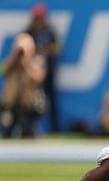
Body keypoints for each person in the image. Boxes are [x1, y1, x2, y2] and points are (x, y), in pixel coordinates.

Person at [1, 32, 46, 138]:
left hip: (28, 104)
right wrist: (14, 57)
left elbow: (39, 78)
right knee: (7, 130)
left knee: (27, 132)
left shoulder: (36, 61)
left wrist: (26, 63)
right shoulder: (11, 61)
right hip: (11, 103)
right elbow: (2, 71)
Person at [25, 3, 60, 133]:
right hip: (33, 72)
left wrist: (44, 50)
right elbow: (24, 49)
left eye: (41, 17)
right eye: (37, 17)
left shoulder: (50, 31)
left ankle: (55, 128)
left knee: (51, 99)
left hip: (48, 70)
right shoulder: (29, 31)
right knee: (31, 100)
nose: (39, 19)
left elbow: (58, 48)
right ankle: (29, 128)